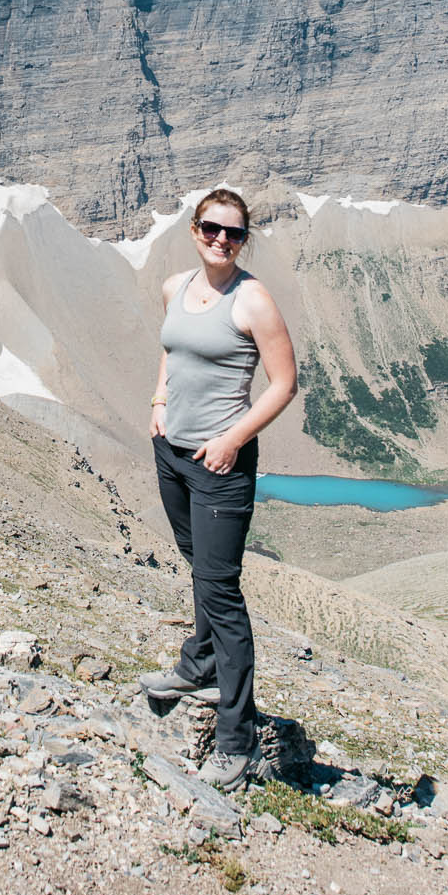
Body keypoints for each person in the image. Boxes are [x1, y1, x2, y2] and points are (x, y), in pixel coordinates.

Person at [141, 188, 298, 790]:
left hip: (219, 464)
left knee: (221, 591)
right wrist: (159, 399)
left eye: (234, 233)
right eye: (212, 228)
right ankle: (199, 663)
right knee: (198, 566)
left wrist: (232, 439)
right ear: (194, 228)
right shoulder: (174, 287)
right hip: (171, 452)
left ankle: (237, 736)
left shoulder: (253, 300)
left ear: (244, 239)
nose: (221, 240)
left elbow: (283, 383)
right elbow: (171, 348)